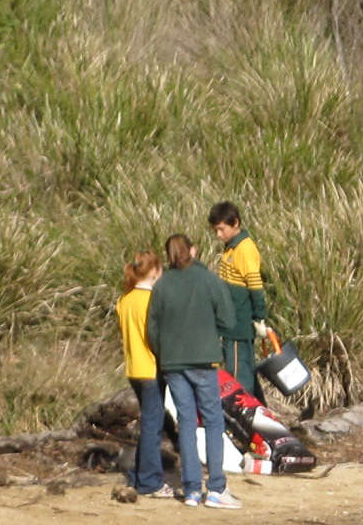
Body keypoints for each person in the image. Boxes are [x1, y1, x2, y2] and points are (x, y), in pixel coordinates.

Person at [150, 235, 241, 508]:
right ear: (193, 250)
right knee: (213, 422)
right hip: (203, 360)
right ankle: (215, 488)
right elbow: (228, 319)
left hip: (173, 364)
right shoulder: (208, 279)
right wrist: (211, 336)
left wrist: (164, 352)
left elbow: (151, 329)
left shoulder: (162, 284)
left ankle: (191, 490)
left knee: (186, 423)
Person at [113, 251, 173, 499]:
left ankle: (141, 476)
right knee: (152, 425)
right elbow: (156, 337)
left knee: (148, 422)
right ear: (155, 272)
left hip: (133, 368)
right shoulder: (151, 301)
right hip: (150, 368)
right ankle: (150, 481)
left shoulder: (124, 300)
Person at [208, 202, 276, 404]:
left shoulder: (245, 249)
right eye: (216, 230)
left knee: (238, 373)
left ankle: (246, 415)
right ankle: (261, 411)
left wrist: (259, 316)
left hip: (238, 324)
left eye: (221, 229)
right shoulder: (231, 248)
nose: (218, 235)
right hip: (229, 322)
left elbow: (255, 284)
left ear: (235, 223)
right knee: (245, 368)